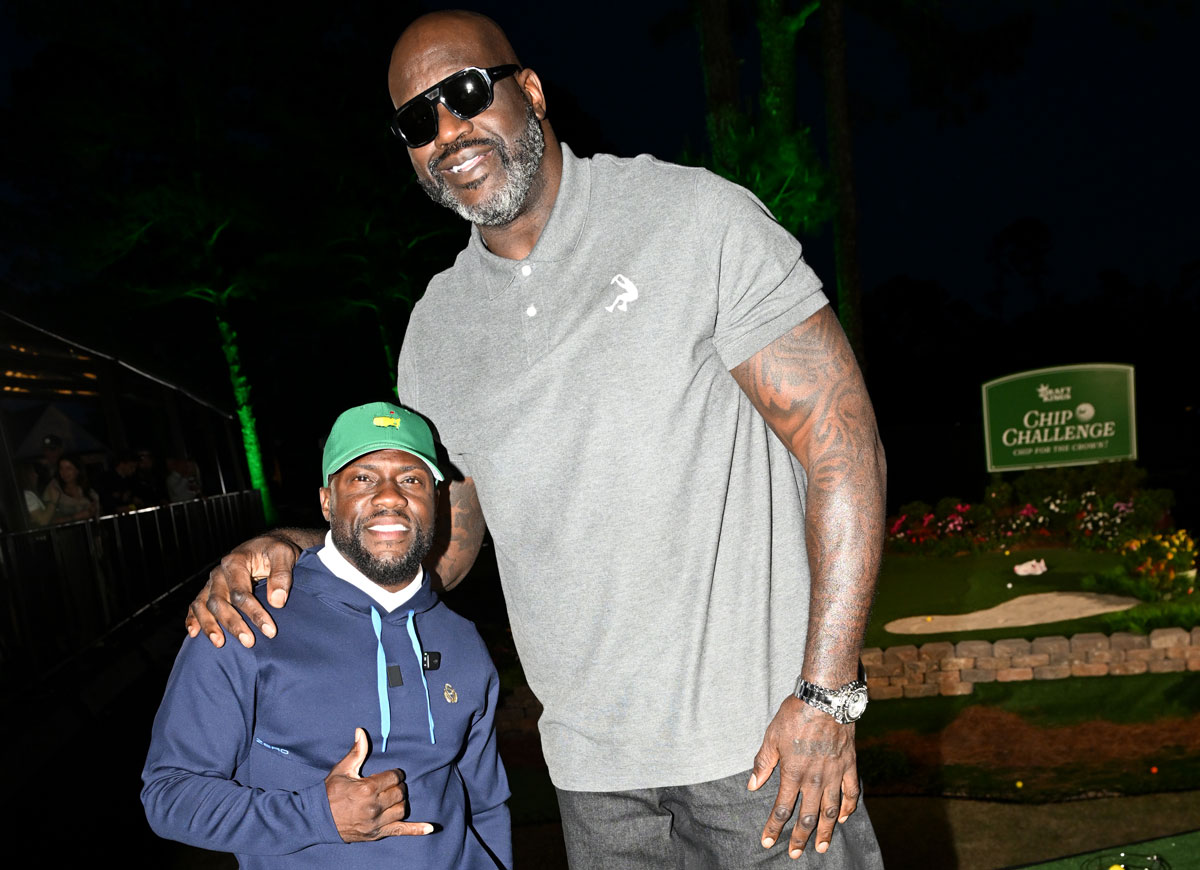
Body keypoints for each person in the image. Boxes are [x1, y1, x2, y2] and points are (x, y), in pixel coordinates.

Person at [189, 11, 886, 868]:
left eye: (466, 94)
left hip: (764, 752)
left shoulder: (693, 220)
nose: (448, 131)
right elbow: (438, 551)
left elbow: (843, 450)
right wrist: (290, 551)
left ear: (532, 92)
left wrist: (828, 696)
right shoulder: (436, 333)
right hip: (594, 784)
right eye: (418, 120)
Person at [143, 401, 511, 868]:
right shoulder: (247, 620)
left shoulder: (462, 640)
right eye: (363, 478)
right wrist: (316, 816)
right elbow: (170, 796)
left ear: (435, 503)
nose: (391, 496)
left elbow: (486, 805)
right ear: (326, 501)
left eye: (412, 479)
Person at [42, 455, 99, 524]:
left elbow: (97, 517)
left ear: (77, 471)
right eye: (61, 468)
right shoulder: (54, 488)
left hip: (88, 532)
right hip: (64, 533)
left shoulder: (88, 490)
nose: (64, 472)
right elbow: (48, 520)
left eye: (68, 468)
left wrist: (94, 511)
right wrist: (77, 516)